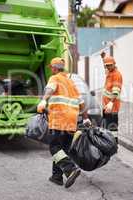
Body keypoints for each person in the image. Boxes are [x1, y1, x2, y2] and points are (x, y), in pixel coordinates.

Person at [37, 57, 91, 188]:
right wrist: (85, 118)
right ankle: (57, 177)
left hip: (59, 119)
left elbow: (50, 89)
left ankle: (70, 169)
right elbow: (81, 102)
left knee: (54, 147)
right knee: (63, 150)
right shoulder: (71, 83)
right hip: (71, 122)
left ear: (54, 68)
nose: (51, 70)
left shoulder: (55, 78)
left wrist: (44, 100)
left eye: (51, 68)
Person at [100, 52, 123, 144]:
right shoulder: (109, 73)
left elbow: (116, 91)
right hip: (107, 106)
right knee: (107, 126)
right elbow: (105, 66)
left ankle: (113, 144)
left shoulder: (116, 75)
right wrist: (103, 58)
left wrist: (111, 102)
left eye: (110, 65)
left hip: (112, 107)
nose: (108, 67)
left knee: (112, 127)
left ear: (114, 64)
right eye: (107, 66)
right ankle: (109, 143)